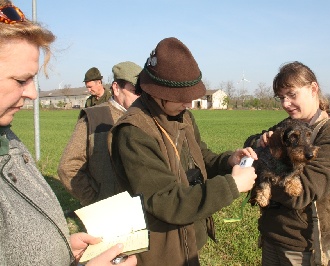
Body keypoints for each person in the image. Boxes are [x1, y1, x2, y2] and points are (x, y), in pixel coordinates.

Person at [0, 1, 137, 265]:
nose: (32, 93)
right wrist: (98, 201)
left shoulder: (11, 140)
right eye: (20, 80)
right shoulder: (93, 111)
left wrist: (60, 248)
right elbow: (69, 167)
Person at [109, 37, 258, 266]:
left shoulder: (182, 116)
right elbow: (166, 201)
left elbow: (201, 157)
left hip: (187, 241)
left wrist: (229, 161)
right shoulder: (134, 132)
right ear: (155, 91)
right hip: (159, 252)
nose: (188, 104)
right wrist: (233, 185)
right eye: (181, 98)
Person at [244, 61, 330, 266]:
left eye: (292, 95)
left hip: (304, 244)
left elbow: (300, 194)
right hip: (273, 234)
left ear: (313, 89)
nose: (285, 104)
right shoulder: (291, 124)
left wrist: (258, 178)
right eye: (281, 98)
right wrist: (259, 142)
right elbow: (252, 142)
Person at [58, 61, 142, 206]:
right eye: (135, 91)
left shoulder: (145, 118)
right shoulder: (94, 117)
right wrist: (94, 201)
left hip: (141, 209)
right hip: (106, 211)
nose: (141, 97)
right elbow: (68, 167)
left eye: (143, 92)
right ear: (116, 88)